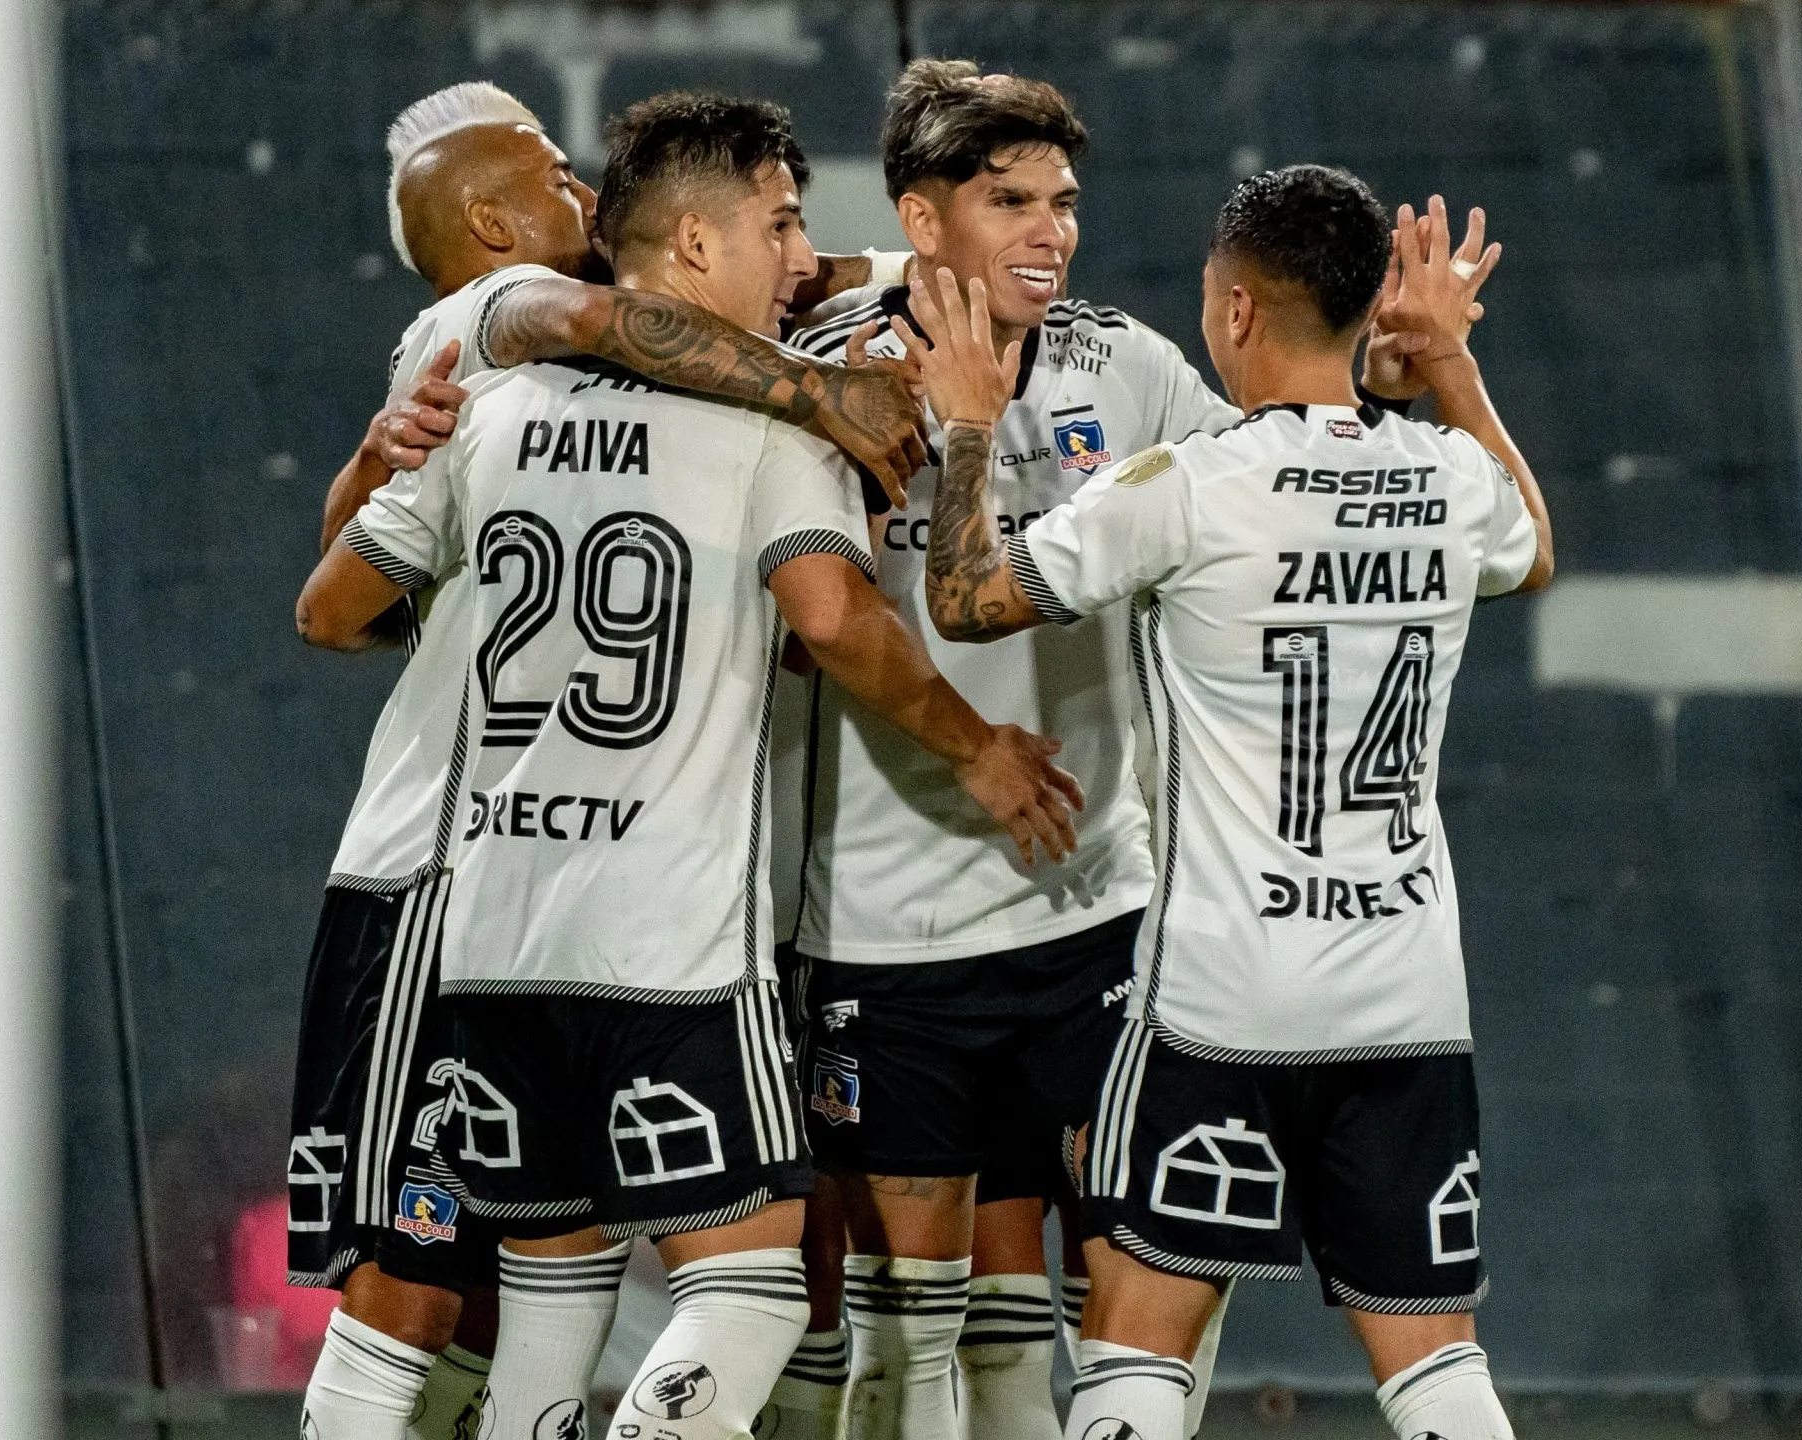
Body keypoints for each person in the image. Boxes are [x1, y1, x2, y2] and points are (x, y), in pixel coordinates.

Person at [299, 91, 1083, 1440]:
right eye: (779, 223)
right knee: (750, 1284)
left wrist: (387, 458)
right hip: (651, 936)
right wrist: (981, 746)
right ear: (700, 247)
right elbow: (836, 621)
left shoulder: (486, 409)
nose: (801, 252)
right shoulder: (745, 417)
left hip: (490, 928)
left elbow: (330, 607)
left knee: (546, 1292)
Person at [778, 61, 1495, 1440]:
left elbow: (1271, 499)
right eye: (1010, 203)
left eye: (1064, 201)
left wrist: (1369, 383)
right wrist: (976, 746)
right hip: (888, 917)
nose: (1051, 230)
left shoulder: (1134, 365)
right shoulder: (835, 376)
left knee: (1138, 1303)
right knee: (903, 1338)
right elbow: (831, 620)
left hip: (1103, 914)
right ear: (924, 222)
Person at [914, 168, 1551, 1440]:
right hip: (1405, 992)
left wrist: (973, 423)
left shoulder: (1186, 485)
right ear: (1368, 308)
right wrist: (1452, 373)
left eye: (1212, 298)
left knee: (1139, 1344)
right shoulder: (1446, 477)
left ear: (1240, 312)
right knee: (1434, 1364)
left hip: (1220, 994)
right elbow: (1531, 548)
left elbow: (964, 601)